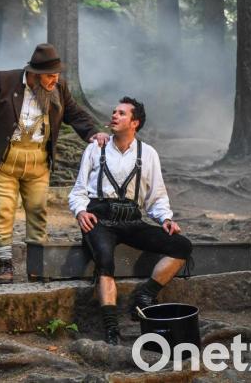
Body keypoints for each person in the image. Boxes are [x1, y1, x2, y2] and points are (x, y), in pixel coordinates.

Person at [0, 43, 108, 284]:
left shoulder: (58, 88)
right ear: (35, 73)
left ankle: (37, 265)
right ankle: (5, 263)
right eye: (51, 75)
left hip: (39, 163)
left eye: (57, 75)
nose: (55, 80)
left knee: (37, 211)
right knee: (3, 209)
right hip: (3, 160)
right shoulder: (3, 81)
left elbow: (74, 113)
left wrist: (92, 132)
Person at [69, 97, 192, 346]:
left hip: (132, 221)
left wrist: (166, 218)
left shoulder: (148, 153)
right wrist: (81, 212)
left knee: (182, 246)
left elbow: (156, 195)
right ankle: (111, 328)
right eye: (114, 112)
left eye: (122, 113)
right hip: (100, 220)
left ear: (134, 123)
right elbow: (79, 190)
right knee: (105, 260)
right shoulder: (95, 148)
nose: (114, 115)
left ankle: (144, 296)